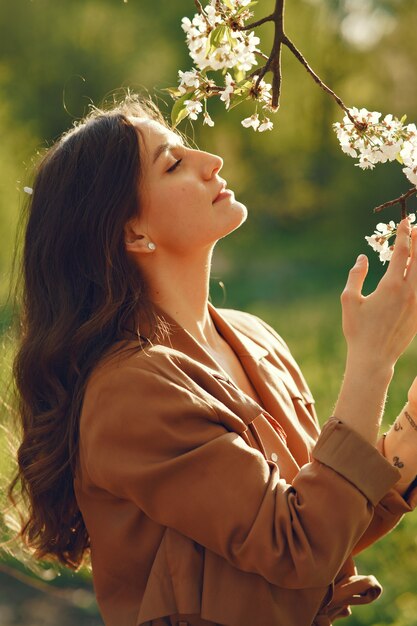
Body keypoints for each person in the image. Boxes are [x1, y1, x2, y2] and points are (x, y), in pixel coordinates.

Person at [8, 94, 417, 626]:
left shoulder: (255, 337)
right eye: (174, 163)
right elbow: (298, 546)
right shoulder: (126, 390)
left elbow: (324, 517)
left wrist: (409, 427)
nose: (212, 161)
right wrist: (372, 361)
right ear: (133, 233)